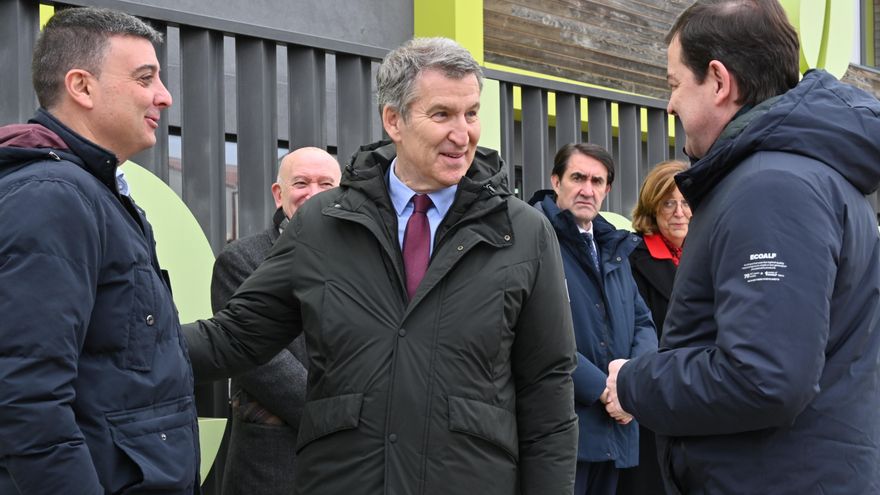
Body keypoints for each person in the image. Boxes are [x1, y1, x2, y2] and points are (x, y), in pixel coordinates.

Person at [183, 37, 578, 495]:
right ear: (394, 120)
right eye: (442, 114)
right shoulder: (322, 222)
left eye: (471, 113)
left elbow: (548, 389)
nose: (463, 134)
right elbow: (236, 336)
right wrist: (132, 345)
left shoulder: (524, 232)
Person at [605, 1, 880, 494]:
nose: (670, 105)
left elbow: (765, 379)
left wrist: (635, 382)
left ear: (718, 81)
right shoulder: (802, 176)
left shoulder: (771, 187)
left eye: (674, 84)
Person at [0, 7, 199, 494]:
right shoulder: (54, 197)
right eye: (145, 78)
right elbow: (26, 397)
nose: (164, 96)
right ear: (81, 87)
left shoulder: (93, 193)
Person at [528, 143, 657, 495]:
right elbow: (536, 333)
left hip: (614, 430)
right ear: (556, 182)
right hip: (561, 433)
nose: (587, 189)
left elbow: (643, 322)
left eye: (597, 181)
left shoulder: (613, 247)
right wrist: (605, 389)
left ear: (607, 189)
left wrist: (629, 383)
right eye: (578, 178)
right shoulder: (533, 239)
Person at [211, 146, 340, 495]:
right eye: (301, 183)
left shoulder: (363, 260)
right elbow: (259, 362)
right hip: (272, 465)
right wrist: (340, 418)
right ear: (279, 194)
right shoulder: (241, 260)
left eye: (326, 184)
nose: (313, 193)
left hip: (350, 466)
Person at [616, 159, 689, 495]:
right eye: (668, 203)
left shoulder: (708, 253)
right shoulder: (632, 259)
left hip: (696, 396)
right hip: (650, 397)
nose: (679, 213)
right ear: (652, 208)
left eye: (686, 202)